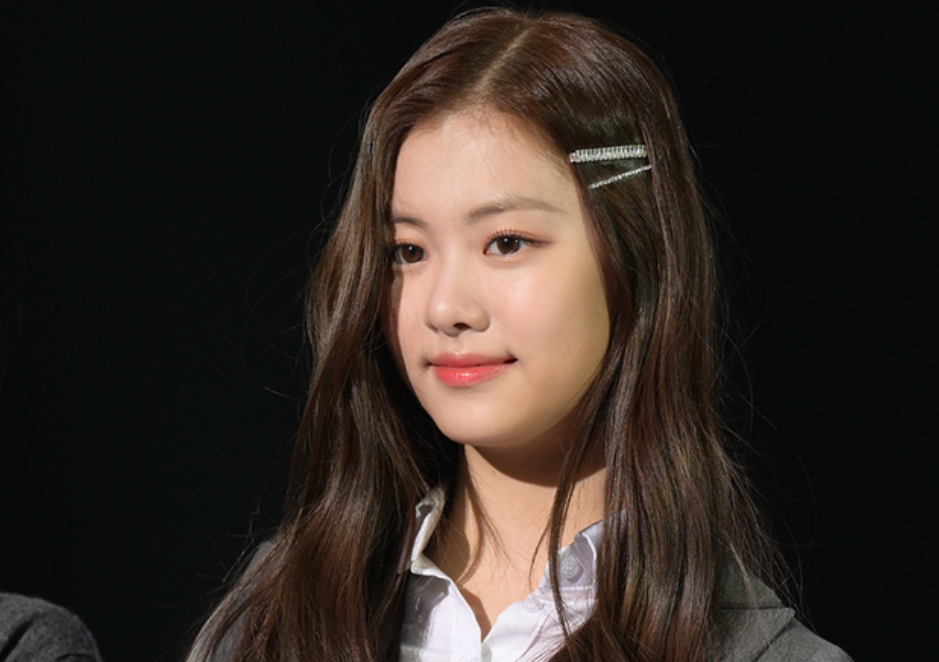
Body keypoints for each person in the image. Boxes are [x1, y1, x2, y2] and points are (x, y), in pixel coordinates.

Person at [187, 8, 851, 662]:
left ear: (636, 258)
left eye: (506, 243)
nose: (445, 307)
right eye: (408, 251)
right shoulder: (275, 621)